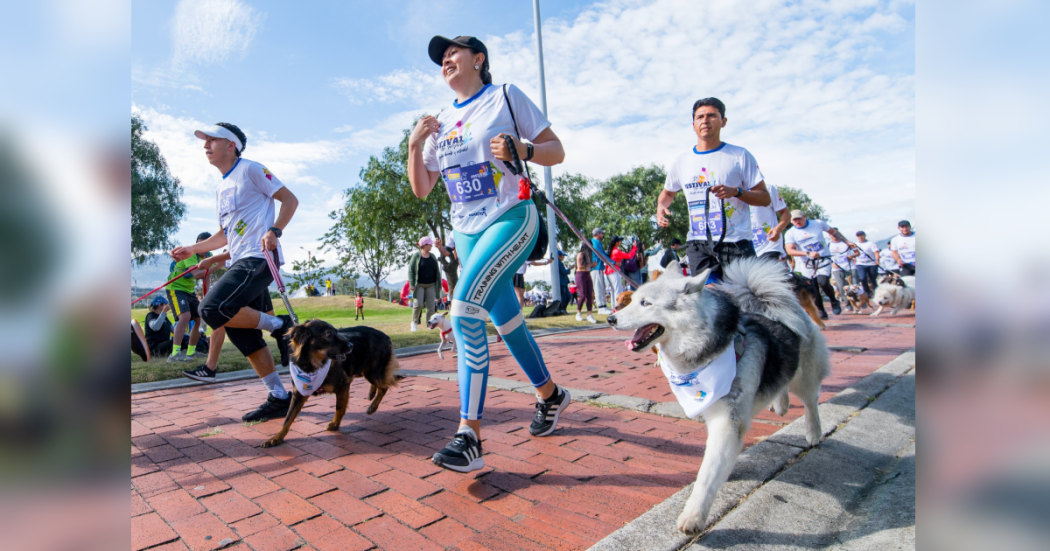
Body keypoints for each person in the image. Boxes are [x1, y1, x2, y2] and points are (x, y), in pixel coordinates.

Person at [408, 34, 571, 473]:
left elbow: (555, 149)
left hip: (510, 217)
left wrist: (524, 150)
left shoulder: (505, 96)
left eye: (453, 52)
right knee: (506, 321)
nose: (445, 59)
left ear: (478, 59)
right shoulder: (440, 121)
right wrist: (413, 145)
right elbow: (423, 189)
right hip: (465, 231)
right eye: (441, 57)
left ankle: (469, 435)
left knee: (462, 314)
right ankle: (551, 394)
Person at [171, 122, 299, 422]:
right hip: (240, 258)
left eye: (212, 140)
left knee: (211, 309)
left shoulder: (252, 170)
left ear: (231, 145)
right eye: (205, 141)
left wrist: (275, 230)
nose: (205, 145)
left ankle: (279, 325)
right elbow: (224, 236)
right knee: (240, 329)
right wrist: (195, 249)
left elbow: (290, 200)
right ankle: (279, 396)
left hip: (258, 259)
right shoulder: (220, 188)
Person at [656, 97, 771, 281]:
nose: (705, 120)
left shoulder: (740, 155)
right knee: (708, 300)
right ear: (693, 125)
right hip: (698, 243)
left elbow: (765, 198)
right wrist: (661, 206)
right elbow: (668, 193)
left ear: (723, 122)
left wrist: (737, 192)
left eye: (712, 116)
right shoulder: (681, 162)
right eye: (700, 117)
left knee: (744, 303)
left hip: (736, 243)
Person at [784, 210, 856, 318]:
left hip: (823, 259)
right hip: (807, 263)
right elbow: (790, 251)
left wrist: (847, 242)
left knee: (823, 282)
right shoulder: (790, 233)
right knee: (813, 287)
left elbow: (833, 232)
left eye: (799, 218)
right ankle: (821, 311)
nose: (797, 221)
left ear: (805, 216)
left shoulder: (817, 223)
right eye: (794, 219)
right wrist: (807, 253)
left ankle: (834, 300)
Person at [163, 232, 211, 362]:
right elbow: (196, 274)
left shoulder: (209, 256)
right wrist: (217, 266)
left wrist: (207, 294)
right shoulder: (192, 255)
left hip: (189, 290)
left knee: (198, 318)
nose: (201, 247)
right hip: (176, 288)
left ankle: (190, 352)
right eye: (199, 243)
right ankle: (175, 354)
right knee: (185, 316)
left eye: (204, 244)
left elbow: (206, 275)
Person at [750, 184, 791, 263]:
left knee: (763, 273)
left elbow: (786, 213)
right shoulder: (731, 192)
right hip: (746, 247)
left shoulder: (768, 189)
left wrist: (779, 228)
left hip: (769, 245)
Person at [408, 236, 441, 332]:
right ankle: (414, 322)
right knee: (418, 304)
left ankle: (429, 325)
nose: (431, 245)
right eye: (430, 244)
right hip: (419, 285)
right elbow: (411, 271)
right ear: (425, 245)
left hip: (431, 284)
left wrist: (438, 285)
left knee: (431, 306)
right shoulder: (416, 256)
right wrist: (412, 284)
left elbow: (437, 271)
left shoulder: (433, 256)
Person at [828, 229, 860, 312]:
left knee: (854, 286)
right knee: (842, 287)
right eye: (831, 234)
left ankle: (859, 302)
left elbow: (857, 253)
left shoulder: (847, 243)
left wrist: (852, 256)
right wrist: (832, 264)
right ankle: (848, 304)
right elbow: (826, 257)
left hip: (850, 267)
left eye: (835, 233)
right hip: (837, 268)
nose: (833, 235)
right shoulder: (828, 245)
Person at [575, 241, 598, 323]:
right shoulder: (581, 254)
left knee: (590, 295)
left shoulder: (589, 255)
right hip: (581, 275)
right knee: (583, 294)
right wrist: (591, 264)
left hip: (588, 274)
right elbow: (580, 266)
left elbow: (588, 266)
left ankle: (589, 314)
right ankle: (578, 313)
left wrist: (592, 265)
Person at [590, 228, 612, 314]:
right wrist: (612, 262)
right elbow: (600, 254)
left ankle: (604, 305)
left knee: (602, 287)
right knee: (598, 287)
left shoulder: (597, 243)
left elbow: (603, 254)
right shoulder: (594, 243)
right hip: (596, 268)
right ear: (598, 234)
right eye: (601, 234)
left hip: (599, 267)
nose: (602, 235)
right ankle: (601, 307)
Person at [854, 231, 880, 297]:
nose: (860, 237)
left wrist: (877, 260)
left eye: (861, 235)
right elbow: (855, 254)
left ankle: (876, 292)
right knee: (862, 278)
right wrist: (855, 262)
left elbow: (876, 252)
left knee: (873, 278)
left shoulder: (871, 243)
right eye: (859, 236)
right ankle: (867, 292)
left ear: (864, 235)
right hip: (860, 263)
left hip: (871, 263)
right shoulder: (855, 244)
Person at [555, 250, 571, 314]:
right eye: (563, 256)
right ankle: (562, 309)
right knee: (565, 297)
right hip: (562, 282)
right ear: (559, 256)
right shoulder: (559, 263)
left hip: (563, 282)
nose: (563, 257)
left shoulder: (559, 263)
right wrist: (570, 269)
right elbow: (564, 272)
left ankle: (563, 309)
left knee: (567, 296)